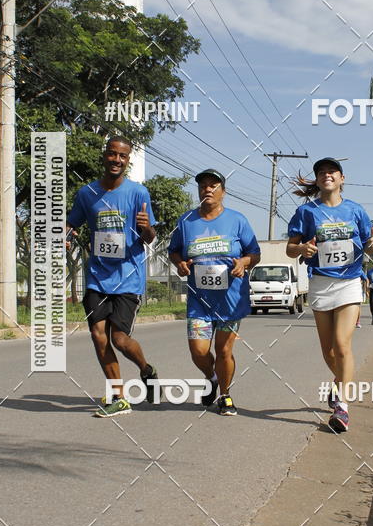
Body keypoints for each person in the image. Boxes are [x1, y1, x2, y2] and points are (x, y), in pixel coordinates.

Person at [66, 136, 159, 418]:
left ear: (127, 161)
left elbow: (150, 237)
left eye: (123, 156)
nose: (117, 160)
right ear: (104, 156)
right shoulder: (87, 194)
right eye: (112, 154)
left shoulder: (138, 193)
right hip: (96, 276)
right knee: (98, 335)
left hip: (128, 277)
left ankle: (146, 370)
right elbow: (72, 223)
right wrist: (66, 235)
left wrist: (146, 229)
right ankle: (118, 397)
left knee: (119, 339)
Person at [287, 157, 373, 433]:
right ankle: (339, 382)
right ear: (317, 181)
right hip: (320, 283)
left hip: (349, 283)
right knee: (328, 352)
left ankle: (342, 406)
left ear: (342, 178)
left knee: (342, 345)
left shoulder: (355, 210)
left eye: (332, 172)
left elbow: (370, 243)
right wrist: (302, 249)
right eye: (321, 173)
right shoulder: (306, 213)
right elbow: (290, 249)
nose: (327, 175)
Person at [168, 168, 261, 416]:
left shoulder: (237, 220)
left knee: (223, 350)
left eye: (213, 185)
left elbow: (255, 253)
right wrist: (179, 263)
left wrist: (244, 263)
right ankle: (211, 377)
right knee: (198, 351)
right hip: (200, 300)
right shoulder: (186, 221)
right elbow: (174, 250)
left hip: (230, 300)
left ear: (223, 191)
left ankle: (225, 395)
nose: (207, 189)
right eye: (203, 186)